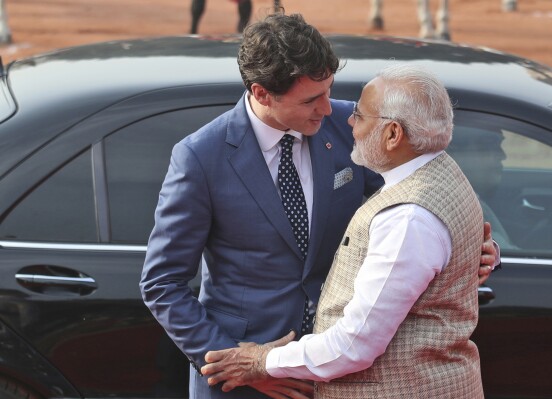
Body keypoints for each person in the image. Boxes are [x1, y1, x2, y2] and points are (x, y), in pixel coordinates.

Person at [140, 13, 497, 399]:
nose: (328, 109)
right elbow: (162, 283)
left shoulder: (352, 124)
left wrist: (472, 250)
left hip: (338, 371)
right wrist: (239, 366)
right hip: (244, 380)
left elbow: (416, 197)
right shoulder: (200, 157)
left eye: (328, 90)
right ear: (261, 93)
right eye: (311, 99)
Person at [201, 64, 485, 398]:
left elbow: (354, 344)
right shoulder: (440, 172)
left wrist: (261, 360)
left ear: (393, 135)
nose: (346, 122)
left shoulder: (408, 219)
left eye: (360, 116)